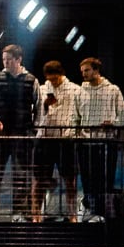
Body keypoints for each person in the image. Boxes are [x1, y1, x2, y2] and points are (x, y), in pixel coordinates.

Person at [0, 44, 40, 223]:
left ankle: (19, 213)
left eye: (9, 60)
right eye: (4, 60)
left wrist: (34, 130)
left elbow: (39, 108)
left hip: (22, 136)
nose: (5, 63)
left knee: (21, 176)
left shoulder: (31, 80)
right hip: (0, 136)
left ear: (18, 59)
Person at [76, 57, 124, 222]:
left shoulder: (112, 90)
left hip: (107, 142)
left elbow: (123, 115)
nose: (84, 74)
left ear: (96, 70)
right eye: (82, 71)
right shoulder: (79, 91)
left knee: (105, 179)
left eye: (87, 70)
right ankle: (90, 211)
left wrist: (113, 123)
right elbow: (74, 115)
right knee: (87, 179)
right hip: (86, 142)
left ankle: (103, 213)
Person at [34, 60, 80, 224]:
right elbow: (35, 116)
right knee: (39, 180)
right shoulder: (41, 90)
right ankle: (36, 216)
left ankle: (72, 215)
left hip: (65, 140)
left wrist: (73, 132)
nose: (53, 82)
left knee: (69, 179)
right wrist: (45, 106)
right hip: (44, 139)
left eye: (55, 79)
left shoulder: (75, 90)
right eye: (50, 79)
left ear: (62, 74)